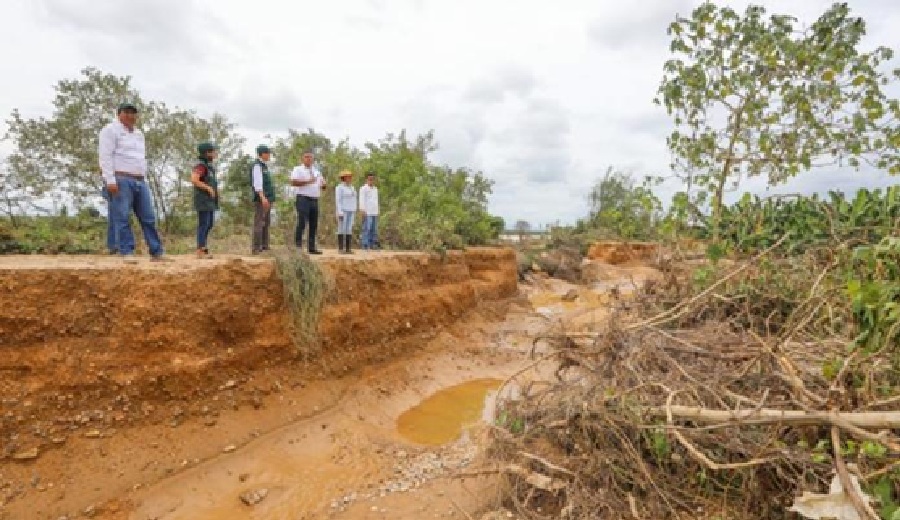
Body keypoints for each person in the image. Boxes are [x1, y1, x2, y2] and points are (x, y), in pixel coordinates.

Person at [98, 102, 171, 263]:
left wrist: (143, 175)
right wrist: (109, 179)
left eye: (134, 113)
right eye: (127, 112)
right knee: (122, 216)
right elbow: (105, 156)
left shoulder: (139, 134)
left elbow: (140, 157)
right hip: (121, 178)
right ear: (119, 114)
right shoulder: (110, 130)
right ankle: (126, 251)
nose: (131, 116)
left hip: (139, 179)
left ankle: (156, 251)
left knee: (148, 217)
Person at [289, 149, 326, 254]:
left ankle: (311, 247)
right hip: (303, 198)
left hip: (314, 199)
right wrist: (308, 181)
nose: (309, 159)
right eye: (306, 157)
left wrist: (323, 185)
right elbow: (293, 182)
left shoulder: (317, 171)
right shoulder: (298, 169)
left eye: (310, 157)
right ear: (302, 158)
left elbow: (322, 185)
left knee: (313, 224)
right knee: (302, 222)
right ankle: (298, 247)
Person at [190, 141, 219, 259]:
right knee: (204, 223)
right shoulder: (200, 165)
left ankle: (203, 246)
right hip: (202, 199)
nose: (215, 154)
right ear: (206, 153)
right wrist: (207, 188)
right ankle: (200, 249)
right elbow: (194, 179)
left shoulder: (210, 167)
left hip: (210, 200)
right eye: (212, 152)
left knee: (210, 223)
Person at [251, 144, 275, 254]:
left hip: (268, 197)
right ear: (262, 154)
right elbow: (257, 182)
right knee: (259, 222)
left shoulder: (264, 166)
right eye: (268, 153)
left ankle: (265, 245)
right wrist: (262, 197)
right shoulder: (257, 166)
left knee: (266, 222)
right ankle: (256, 247)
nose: (269, 155)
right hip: (262, 198)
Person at [335, 170, 357, 254]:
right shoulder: (339, 187)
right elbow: (338, 200)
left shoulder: (352, 187)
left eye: (350, 176)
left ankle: (348, 248)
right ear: (343, 178)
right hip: (343, 210)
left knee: (349, 229)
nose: (349, 178)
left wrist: (354, 209)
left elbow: (354, 199)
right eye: (348, 176)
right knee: (341, 228)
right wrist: (339, 212)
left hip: (351, 210)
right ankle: (341, 248)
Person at [359, 172, 380, 250]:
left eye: (373, 179)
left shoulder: (375, 189)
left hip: (374, 211)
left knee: (374, 229)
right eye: (370, 179)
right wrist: (362, 209)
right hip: (367, 211)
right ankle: (365, 244)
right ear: (367, 179)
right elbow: (361, 199)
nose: (371, 181)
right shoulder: (363, 188)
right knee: (366, 228)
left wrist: (378, 210)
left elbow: (376, 200)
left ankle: (373, 244)